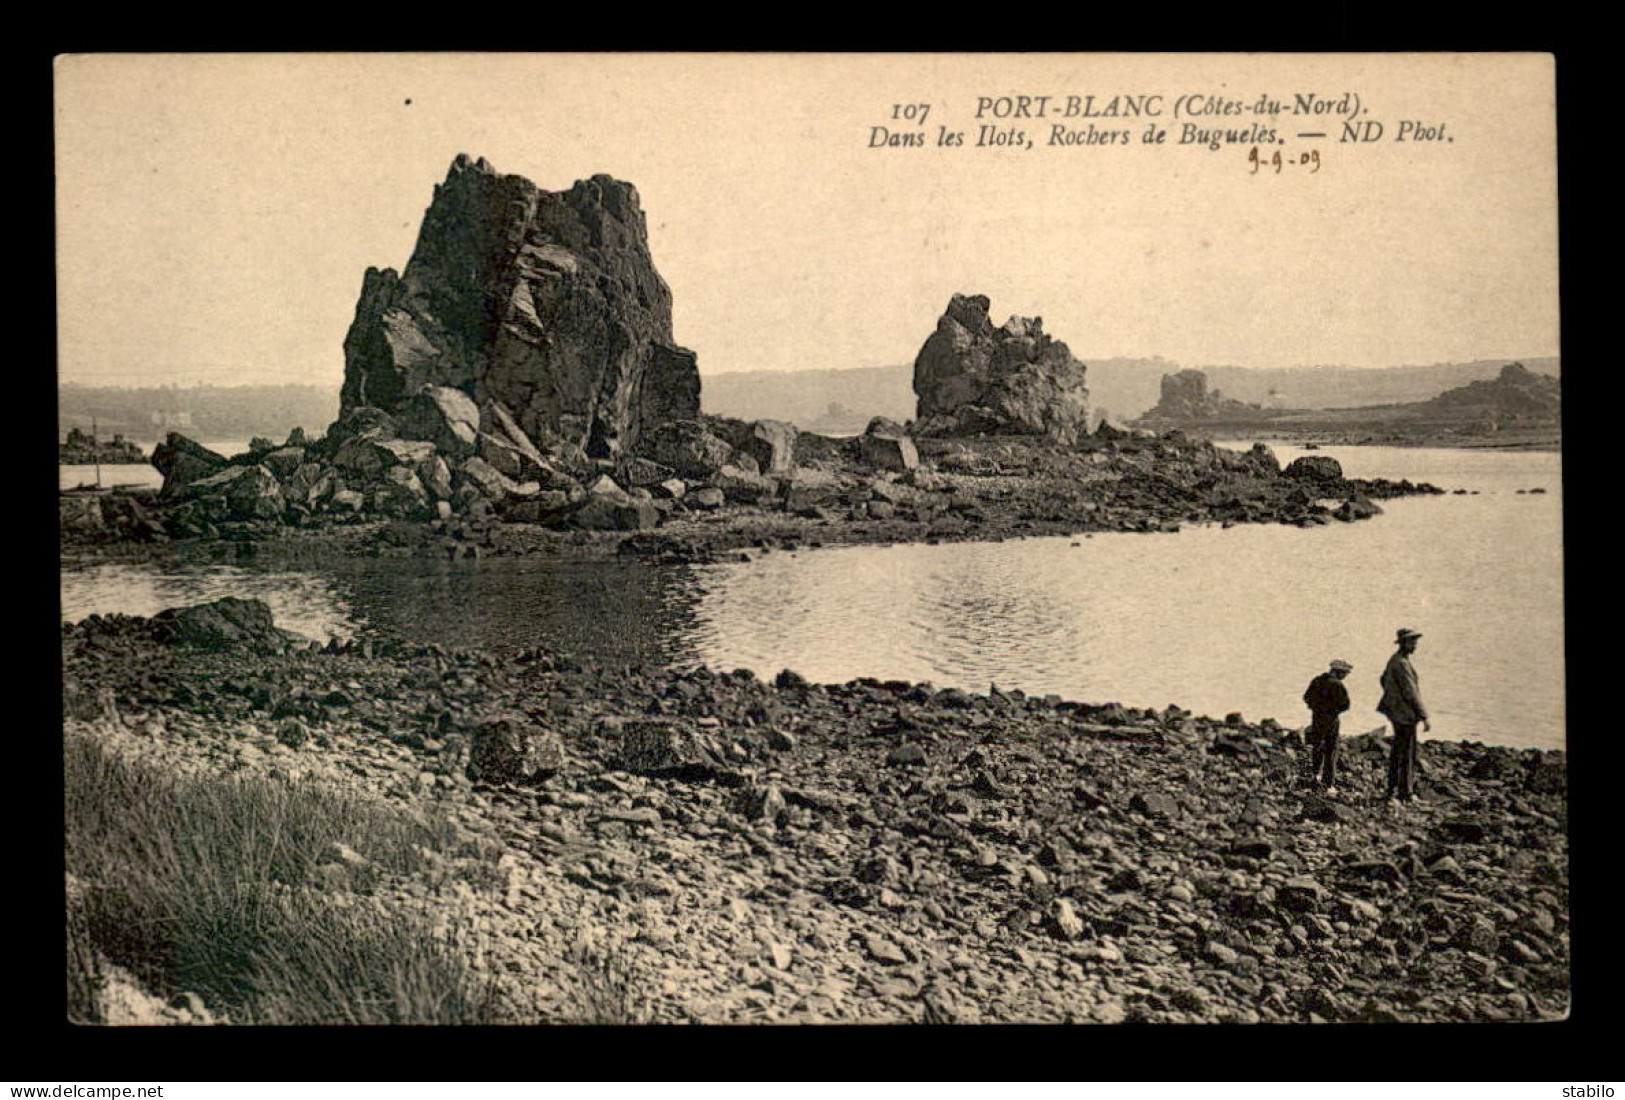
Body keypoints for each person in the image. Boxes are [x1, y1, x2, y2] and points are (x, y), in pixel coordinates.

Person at [1378, 628, 1429, 802]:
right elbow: (1410, 692)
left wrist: (1393, 699)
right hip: (1405, 715)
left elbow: (1383, 679)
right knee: (1407, 753)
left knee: (1399, 752)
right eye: (1412, 642)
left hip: (1398, 713)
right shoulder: (1401, 663)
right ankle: (1405, 793)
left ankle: (1393, 790)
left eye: (1415, 641)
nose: (1415, 645)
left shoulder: (1396, 660)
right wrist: (1424, 716)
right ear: (1404, 643)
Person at [1302, 659, 1353, 792]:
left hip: (1317, 718)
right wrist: (1333, 710)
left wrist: (1316, 708)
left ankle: (1315, 775)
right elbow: (1346, 705)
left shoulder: (1317, 681)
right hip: (1331, 720)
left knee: (1317, 746)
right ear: (1339, 672)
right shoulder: (1337, 685)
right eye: (1344, 673)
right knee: (1331, 749)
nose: (1345, 676)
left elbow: (1306, 698)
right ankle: (1328, 782)